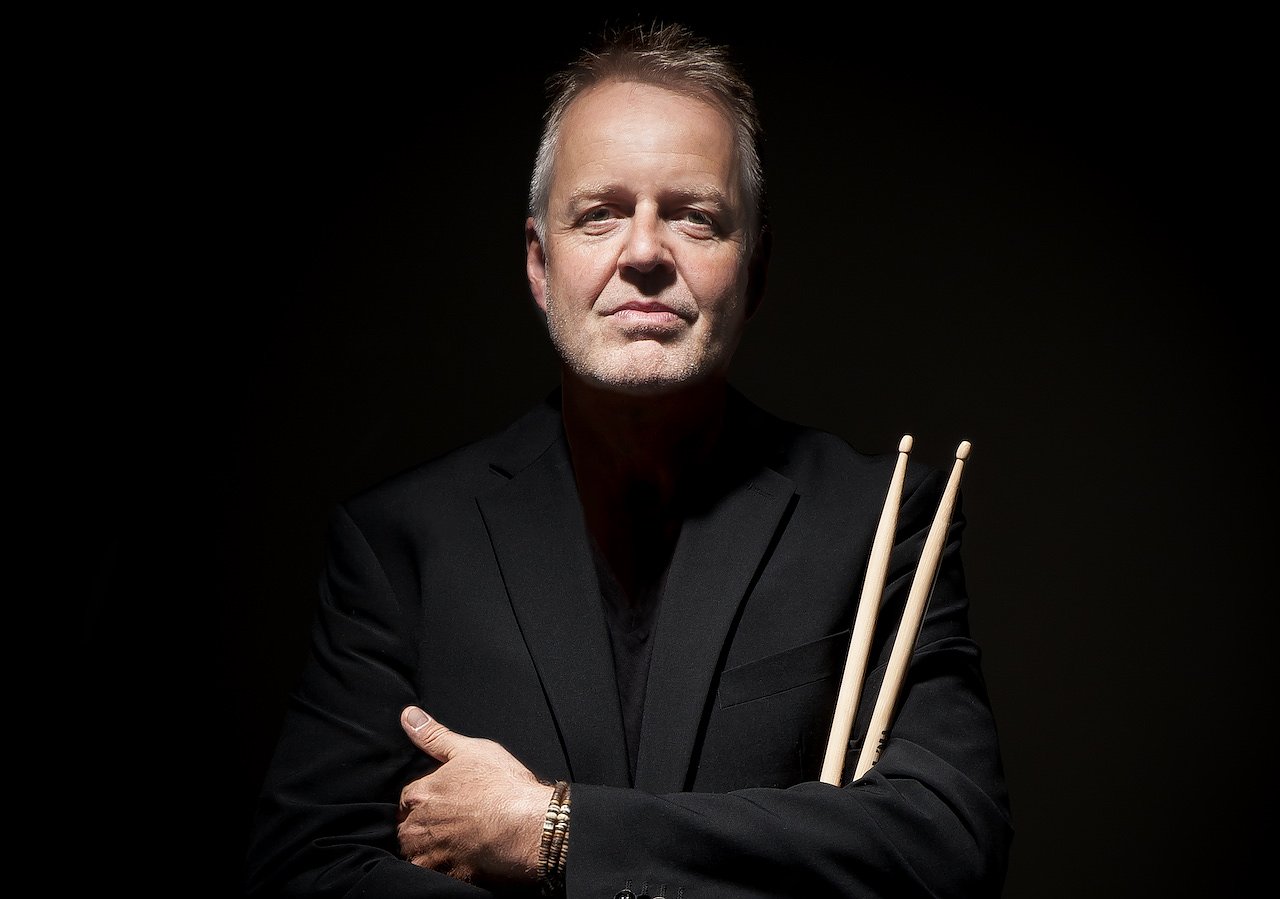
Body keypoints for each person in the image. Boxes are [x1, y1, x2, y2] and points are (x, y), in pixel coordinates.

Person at [244, 21, 1013, 898]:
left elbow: (950, 842)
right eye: (600, 213)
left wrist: (556, 830)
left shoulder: (881, 517)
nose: (644, 253)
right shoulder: (398, 543)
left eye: (695, 217)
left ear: (755, 272)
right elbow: (304, 868)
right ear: (540, 264)